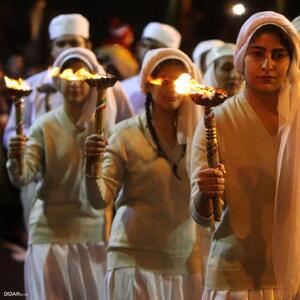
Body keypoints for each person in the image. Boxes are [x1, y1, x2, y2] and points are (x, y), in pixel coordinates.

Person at [190, 11, 300, 300]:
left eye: (279, 55)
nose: (268, 65)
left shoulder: (298, 120)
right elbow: (202, 216)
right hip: (235, 278)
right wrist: (206, 192)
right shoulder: (217, 121)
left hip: (293, 275)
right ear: (241, 58)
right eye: (258, 53)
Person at [84, 48, 203, 300]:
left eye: (179, 82)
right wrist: (91, 166)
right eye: (164, 80)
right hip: (132, 259)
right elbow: (99, 199)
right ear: (147, 83)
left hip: (185, 261)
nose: (171, 89)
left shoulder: (198, 137)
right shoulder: (126, 134)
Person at [3, 13, 134, 228]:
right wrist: (32, 147)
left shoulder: (109, 87)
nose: (67, 48)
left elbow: (126, 129)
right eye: (60, 43)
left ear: (88, 45)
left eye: (74, 42)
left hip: (93, 185)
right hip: (42, 182)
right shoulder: (32, 86)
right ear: (52, 49)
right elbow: (13, 131)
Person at [6, 47, 110, 300]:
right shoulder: (44, 125)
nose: (75, 83)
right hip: (49, 234)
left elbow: (109, 187)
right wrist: (15, 157)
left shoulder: (103, 128)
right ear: (57, 80)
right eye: (67, 75)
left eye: (82, 75)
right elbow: (23, 177)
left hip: (92, 234)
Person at [121, 22, 181, 114]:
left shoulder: (178, 93)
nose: (147, 51)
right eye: (144, 45)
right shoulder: (123, 87)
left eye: (154, 47)